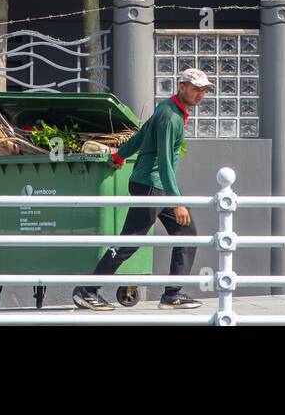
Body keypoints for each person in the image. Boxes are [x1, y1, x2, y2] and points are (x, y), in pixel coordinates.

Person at [73, 67, 212, 310]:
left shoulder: (166, 108)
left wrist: (119, 156)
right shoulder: (171, 117)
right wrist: (177, 201)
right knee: (131, 240)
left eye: (203, 90)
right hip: (152, 185)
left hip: (154, 185)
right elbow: (166, 162)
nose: (200, 94)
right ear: (182, 87)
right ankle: (87, 290)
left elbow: (140, 137)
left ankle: (172, 294)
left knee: (187, 232)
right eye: (195, 89)